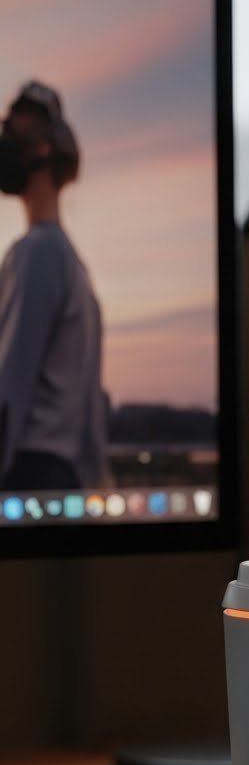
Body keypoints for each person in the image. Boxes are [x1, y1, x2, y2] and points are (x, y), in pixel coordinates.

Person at [0, 80, 108, 490]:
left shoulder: (37, 253)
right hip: (61, 482)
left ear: (43, 147)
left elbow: (8, 390)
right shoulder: (74, 266)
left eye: (13, 129)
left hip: (28, 474)